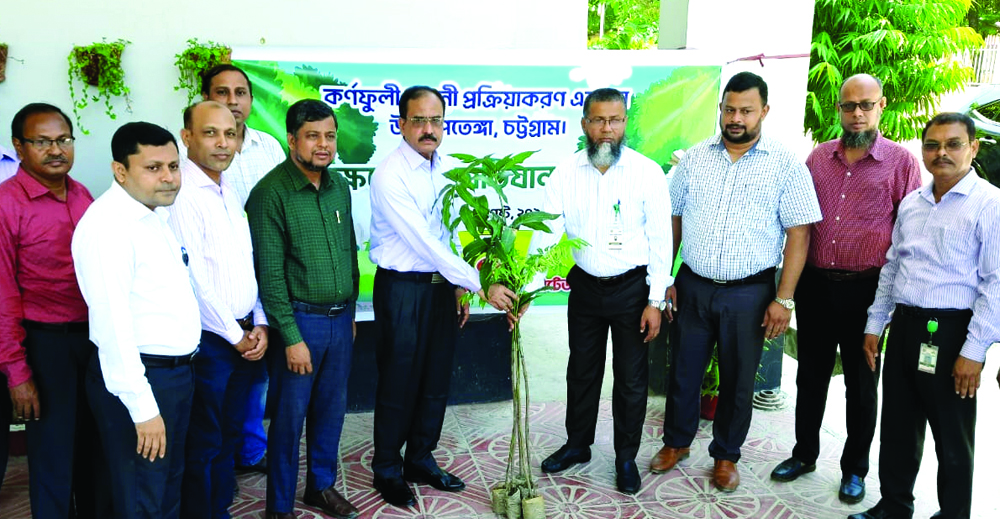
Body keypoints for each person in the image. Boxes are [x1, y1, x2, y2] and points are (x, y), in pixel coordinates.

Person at [652, 71, 822, 492]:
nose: (736, 118)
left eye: (746, 110)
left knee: (738, 378)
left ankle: (726, 456)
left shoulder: (786, 165)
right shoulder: (694, 159)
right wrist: (666, 277)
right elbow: (672, 219)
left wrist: (784, 299)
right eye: (729, 109)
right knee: (684, 370)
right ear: (721, 109)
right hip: (692, 285)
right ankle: (676, 443)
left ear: (764, 111)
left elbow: (799, 234)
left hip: (750, 292)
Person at [770, 74, 922, 503]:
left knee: (861, 384)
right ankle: (804, 455)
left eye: (865, 105)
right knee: (810, 377)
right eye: (848, 106)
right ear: (838, 109)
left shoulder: (901, 163)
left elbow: (910, 234)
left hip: (868, 292)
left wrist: (893, 303)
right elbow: (799, 221)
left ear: (881, 106)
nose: (857, 113)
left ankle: (854, 469)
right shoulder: (818, 158)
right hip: (816, 286)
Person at [368, 85, 517, 507]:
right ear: (402, 124)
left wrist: (458, 285)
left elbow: (449, 235)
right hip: (402, 290)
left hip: (440, 290)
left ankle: (419, 458)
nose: (428, 129)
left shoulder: (448, 169)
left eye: (436, 120)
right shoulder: (389, 175)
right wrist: (480, 284)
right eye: (419, 120)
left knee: (435, 379)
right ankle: (387, 468)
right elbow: (424, 243)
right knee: (399, 382)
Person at [850, 112, 1000, 519]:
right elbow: (893, 266)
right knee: (898, 425)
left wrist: (974, 351)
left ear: (973, 147)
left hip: (952, 334)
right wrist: (875, 324)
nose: (941, 153)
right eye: (932, 145)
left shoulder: (989, 204)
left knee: (952, 436)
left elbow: (996, 284)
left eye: (953, 144)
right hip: (905, 326)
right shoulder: (913, 203)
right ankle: (895, 505)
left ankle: (953, 514)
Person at [531, 88, 672, 494]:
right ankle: (578, 445)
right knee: (582, 371)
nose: (606, 129)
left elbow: (661, 240)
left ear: (625, 123)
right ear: (584, 124)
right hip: (585, 288)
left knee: (630, 379)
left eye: (614, 120)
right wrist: (524, 286)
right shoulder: (565, 173)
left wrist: (655, 300)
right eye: (598, 120)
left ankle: (626, 457)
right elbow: (545, 234)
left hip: (633, 291)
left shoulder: (647, 172)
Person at [72, 122, 201, 519]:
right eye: (153, 168)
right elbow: (112, 327)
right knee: (142, 495)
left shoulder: (153, 215)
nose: (169, 177)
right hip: (141, 380)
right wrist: (143, 409)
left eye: (173, 166)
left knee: (166, 486)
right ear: (120, 171)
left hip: (174, 375)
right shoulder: (109, 228)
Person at [246, 99, 359, 519]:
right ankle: (279, 507)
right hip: (299, 323)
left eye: (329, 136)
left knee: (331, 412)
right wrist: (291, 338)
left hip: (339, 321)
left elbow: (349, 252)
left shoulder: (339, 186)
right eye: (313, 136)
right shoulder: (270, 193)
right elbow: (270, 274)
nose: (323, 144)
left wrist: (350, 314)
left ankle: (320, 487)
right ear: (292, 140)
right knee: (289, 420)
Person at [0, 103, 107, 517]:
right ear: (19, 147)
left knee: (95, 453)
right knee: (53, 458)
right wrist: (17, 373)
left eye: (63, 140)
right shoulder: (7, 204)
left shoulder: (82, 194)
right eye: (42, 142)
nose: (56, 150)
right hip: (45, 346)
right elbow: (3, 294)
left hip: (93, 341)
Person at [170, 101, 269, 519]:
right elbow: (193, 278)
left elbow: (247, 263)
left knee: (228, 434)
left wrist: (260, 322)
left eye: (230, 134)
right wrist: (235, 334)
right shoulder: (182, 195)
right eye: (210, 133)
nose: (223, 143)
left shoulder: (228, 189)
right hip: (212, 341)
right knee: (205, 440)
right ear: (187, 137)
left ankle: (219, 508)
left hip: (244, 335)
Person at [200, 64, 286, 475]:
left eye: (240, 92)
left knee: (256, 375)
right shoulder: (189, 156)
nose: (232, 101)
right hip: (214, 287)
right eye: (222, 92)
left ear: (251, 100)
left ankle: (249, 450)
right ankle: (218, 465)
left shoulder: (268, 147)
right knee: (217, 385)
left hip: (261, 275)